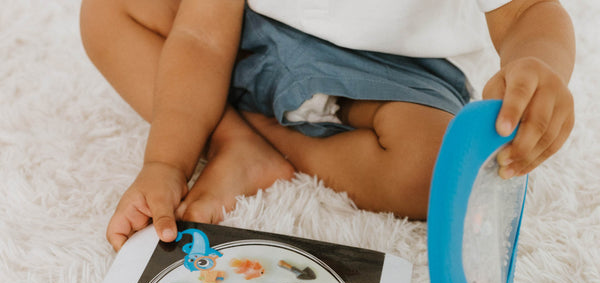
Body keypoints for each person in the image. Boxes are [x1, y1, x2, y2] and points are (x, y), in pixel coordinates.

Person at [80, 0, 575, 251]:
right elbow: (202, 39)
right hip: (255, 38)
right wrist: (167, 160)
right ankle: (234, 141)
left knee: (433, 170)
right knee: (106, 11)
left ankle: (261, 136)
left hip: (402, 71)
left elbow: (529, 12)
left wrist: (537, 63)